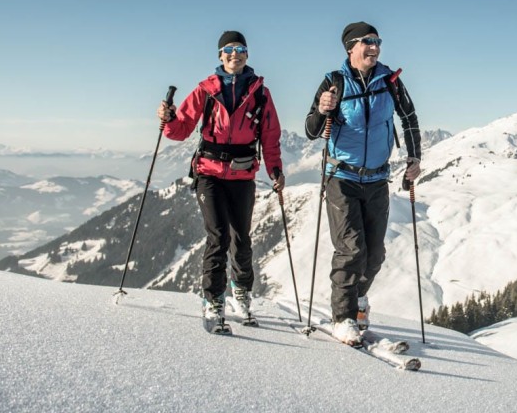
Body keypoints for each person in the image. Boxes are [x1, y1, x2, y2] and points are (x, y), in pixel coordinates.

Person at [158, 30, 284, 331]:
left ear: (247, 55)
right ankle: (213, 301)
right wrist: (168, 119)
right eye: (228, 49)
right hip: (208, 173)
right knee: (219, 237)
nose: (234, 54)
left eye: (240, 49)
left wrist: (275, 171)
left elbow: (270, 136)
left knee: (241, 239)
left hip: (242, 175)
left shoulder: (261, 93)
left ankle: (241, 294)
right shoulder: (206, 90)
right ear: (220, 55)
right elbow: (180, 130)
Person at [304, 21, 422, 345]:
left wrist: (415, 158)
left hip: (377, 179)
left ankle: (357, 301)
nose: (375, 47)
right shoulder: (334, 82)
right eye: (367, 42)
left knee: (375, 254)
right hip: (341, 178)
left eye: (377, 41)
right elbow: (312, 130)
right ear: (350, 47)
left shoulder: (390, 81)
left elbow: (409, 118)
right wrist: (321, 108)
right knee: (351, 249)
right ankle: (342, 318)